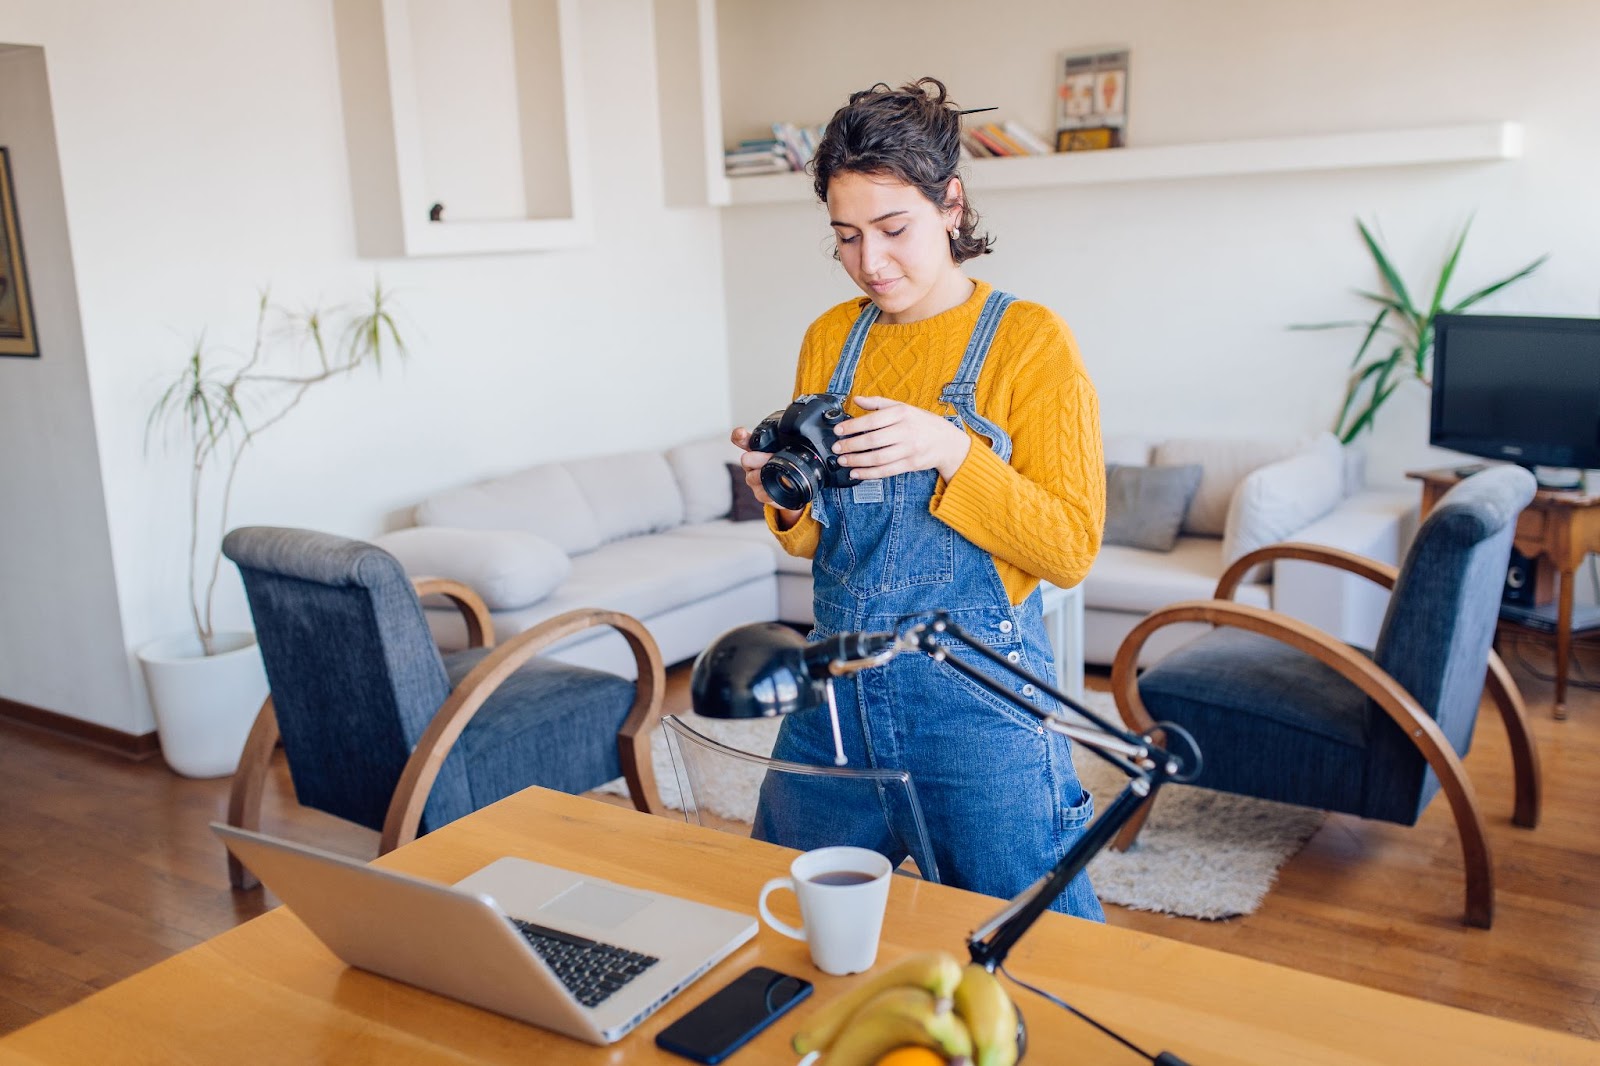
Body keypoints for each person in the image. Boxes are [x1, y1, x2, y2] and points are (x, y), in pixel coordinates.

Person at [731, 78, 1107, 921]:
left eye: (894, 229)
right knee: (781, 924)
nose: (872, 262)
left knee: (1039, 947)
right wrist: (780, 494)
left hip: (979, 702)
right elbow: (804, 544)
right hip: (834, 695)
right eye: (847, 237)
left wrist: (952, 453)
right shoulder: (831, 338)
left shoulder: (1030, 341)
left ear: (951, 204)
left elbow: (1071, 545)